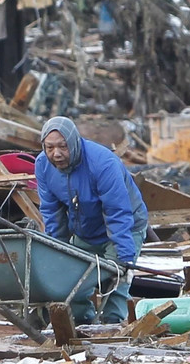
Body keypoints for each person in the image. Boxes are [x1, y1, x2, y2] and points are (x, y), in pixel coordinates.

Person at [34, 116, 148, 324]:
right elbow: (52, 211)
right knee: (72, 278)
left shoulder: (103, 163)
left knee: (115, 281)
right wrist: (57, 253)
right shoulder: (43, 165)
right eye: (49, 147)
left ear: (74, 142)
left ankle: (113, 326)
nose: (56, 154)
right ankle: (81, 324)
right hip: (85, 228)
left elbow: (117, 211)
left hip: (124, 225)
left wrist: (123, 258)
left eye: (62, 146)